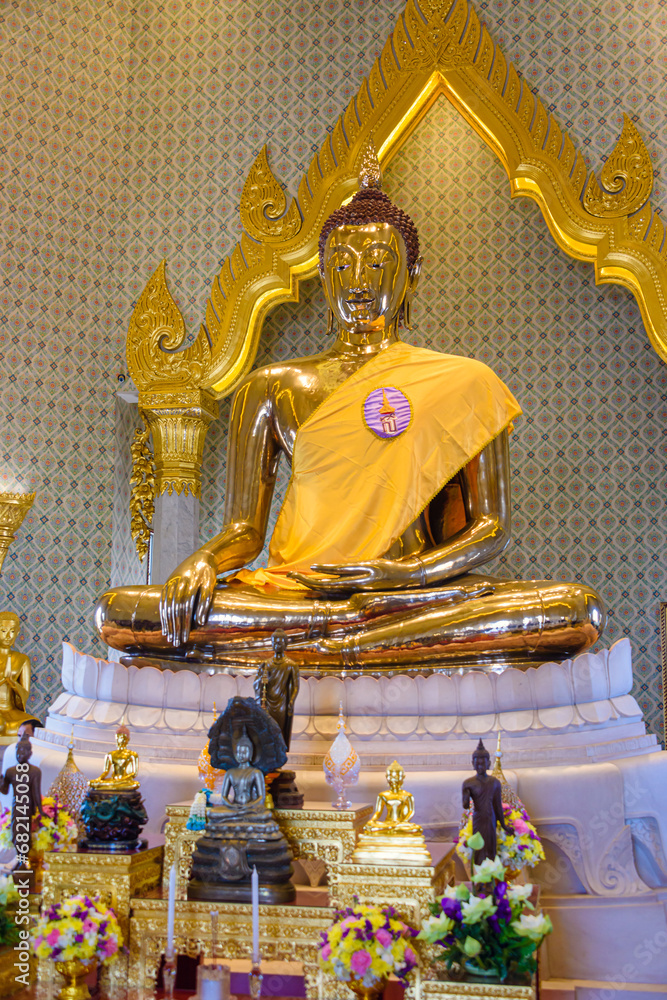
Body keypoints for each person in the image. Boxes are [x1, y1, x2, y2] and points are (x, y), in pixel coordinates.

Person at [95, 154, 604, 672]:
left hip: (411, 594)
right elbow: (245, 531)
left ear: (412, 273)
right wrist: (204, 559)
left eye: (377, 261)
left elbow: (492, 527)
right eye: (340, 265)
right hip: (296, 593)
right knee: (123, 612)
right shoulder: (272, 387)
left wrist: (407, 577)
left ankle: (323, 649)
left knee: (570, 611)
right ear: (323, 274)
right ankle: (354, 645)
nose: (358, 280)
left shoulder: (465, 382)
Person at [462, 740, 508, 866]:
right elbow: (465, 806)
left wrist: (504, 826)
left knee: (490, 850)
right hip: (478, 819)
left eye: (483, 763)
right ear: (473, 764)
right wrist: (466, 796)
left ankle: (490, 881)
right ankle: (479, 881)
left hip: (490, 819)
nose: (480, 767)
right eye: (478, 764)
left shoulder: (494, 782)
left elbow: (498, 806)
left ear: (489, 763)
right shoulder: (468, 783)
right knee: (478, 851)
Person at [253, 630, 300, 749]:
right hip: (267, 701)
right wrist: (262, 680)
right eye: (274, 643)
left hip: (281, 703)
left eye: (280, 643)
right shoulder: (266, 664)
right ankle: (267, 756)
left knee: (279, 729)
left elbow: (295, 685)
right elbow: (256, 683)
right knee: (267, 728)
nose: (277, 646)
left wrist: (291, 701)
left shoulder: (291, 665)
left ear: (285, 644)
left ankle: (279, 756)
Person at [0, 737, 43, 861]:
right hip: (17, 806)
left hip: (27, 807)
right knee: (16, 834)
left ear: (30, 754)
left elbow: (36, 792)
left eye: (23, 752)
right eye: (18, 751)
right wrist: (1, 782)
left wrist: (40, 809)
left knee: (25, 834)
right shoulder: (11, 771)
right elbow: (5, 791)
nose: (20, 754)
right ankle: (20, 859)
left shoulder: (35, 771)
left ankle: (23, 860)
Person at [0, 613, 37, 736]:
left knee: (32, 724)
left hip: (10, 709)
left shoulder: (22, 659)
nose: (8, 636)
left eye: (12, 631)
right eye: (3, 631)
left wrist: (14, 685)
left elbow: (25, 694)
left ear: (17, 632)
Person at [365, 761, 421, 834]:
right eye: (391, 777)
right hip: (387, 823)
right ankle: (391, 829)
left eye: (397, 777)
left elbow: (411, 812)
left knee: (416, 829)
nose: (394, 780)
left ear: (402, 778)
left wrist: (403, 822)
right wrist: (372, 820)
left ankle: (393, 829)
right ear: (387, 778)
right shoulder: (383, 795)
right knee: (370, 827)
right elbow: (378, 812)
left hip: (401, 824)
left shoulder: (407, 795)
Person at [89, 725, 140, 791]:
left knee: (136, 784)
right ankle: (112, 786)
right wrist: (98, 779)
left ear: (127, 739)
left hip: (124, 781)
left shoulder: (132, 754)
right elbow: (105, 771)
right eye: (118, 738)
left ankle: (114, 786)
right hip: (112, 780)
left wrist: (121, 779)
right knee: (91, 783)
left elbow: (134, 773)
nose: (120, 740)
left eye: (122, 738)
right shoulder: (110, 754)